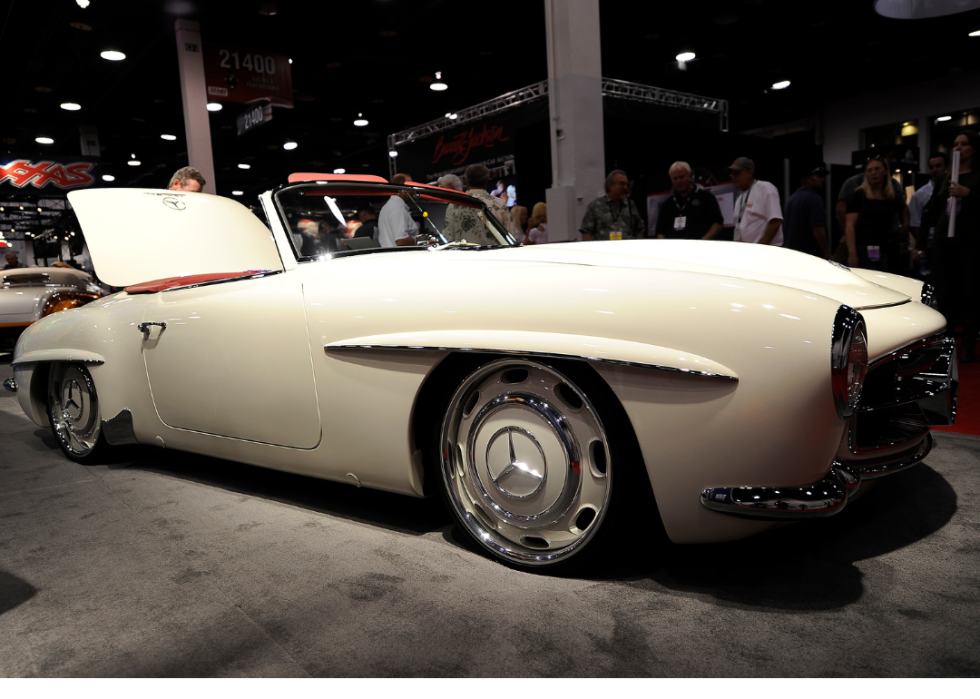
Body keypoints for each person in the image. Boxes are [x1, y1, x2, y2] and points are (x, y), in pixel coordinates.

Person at [921, 130, 980, 362]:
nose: (958, 148)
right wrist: (922, 241)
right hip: (944, 241)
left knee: (970, 293)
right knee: (944, 294)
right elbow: (933, 209)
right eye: (955, 144)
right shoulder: (946, 175)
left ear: (973, 148)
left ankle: (967, 344)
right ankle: (946, 345)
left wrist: (969, 194)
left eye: (964, 144)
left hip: (970, 241)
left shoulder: (977, 175)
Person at [836, 153, 909, 270]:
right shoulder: (859, 195)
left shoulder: (891, 195)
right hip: (864, 248)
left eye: (877, 169)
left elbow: (903, 210)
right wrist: (852, 253)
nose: (873, 173)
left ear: (885, 171)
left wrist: (905, 227)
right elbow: (850, 226)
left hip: (887, 247)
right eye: (869, 170)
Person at [654, 161, 724, 240]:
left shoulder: (706, 197)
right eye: (675, 178)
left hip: (701, 248)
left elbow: (718, 223)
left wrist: (703, 242)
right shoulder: (667, 204)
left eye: (681, 177)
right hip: (674, 250)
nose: (678, 181)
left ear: (690, 176)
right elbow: (660, 231)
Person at [442, 163, 507, 246]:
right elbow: (510, 237)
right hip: (495, 258)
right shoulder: (499, 204)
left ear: (466, 182)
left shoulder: (453, 206)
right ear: (486, 181)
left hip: (464, 258)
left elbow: (448, 238)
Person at [729, 157, 783, 245]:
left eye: (737, 173)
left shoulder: (766, 188)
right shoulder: (739, 198)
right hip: (748, 252)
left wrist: (761, 248)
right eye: (732, 174)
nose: (734, 177)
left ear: (750, 172)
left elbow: (775, 221)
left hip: (767, 251)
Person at [910, 152, 949, 273]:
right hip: (931, 245)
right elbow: (915, 224)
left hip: (952, 243)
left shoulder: (954, 189)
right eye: (931, 167)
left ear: (947, 166)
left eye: (938, 166)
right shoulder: (919, 195)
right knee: (930, 283)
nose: (935, 170)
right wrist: (925, 245)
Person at [579, 170, 645, 240]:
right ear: (610, 186)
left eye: (627, 184)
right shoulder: (596, 206)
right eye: (622, 184)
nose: (625, 188)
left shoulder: (630, 205)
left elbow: (640, 229)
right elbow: (586, 231)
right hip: (603, 250)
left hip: (626, 249)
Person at [782, 165, 831, 258]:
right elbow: (817, 227)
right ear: (808, 179)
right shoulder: (814, 199)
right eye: (819, 176)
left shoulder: (791, 199)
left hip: (791, 254)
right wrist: (826, 251)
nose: (823, 179)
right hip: (810, 255)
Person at [379, 173, 419, 247]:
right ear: (402, 189)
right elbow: (401, 241)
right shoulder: (398, 208)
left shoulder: (386, 207)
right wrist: (420, 240)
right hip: (401, 257)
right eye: (410, 187)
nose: (412, 190)